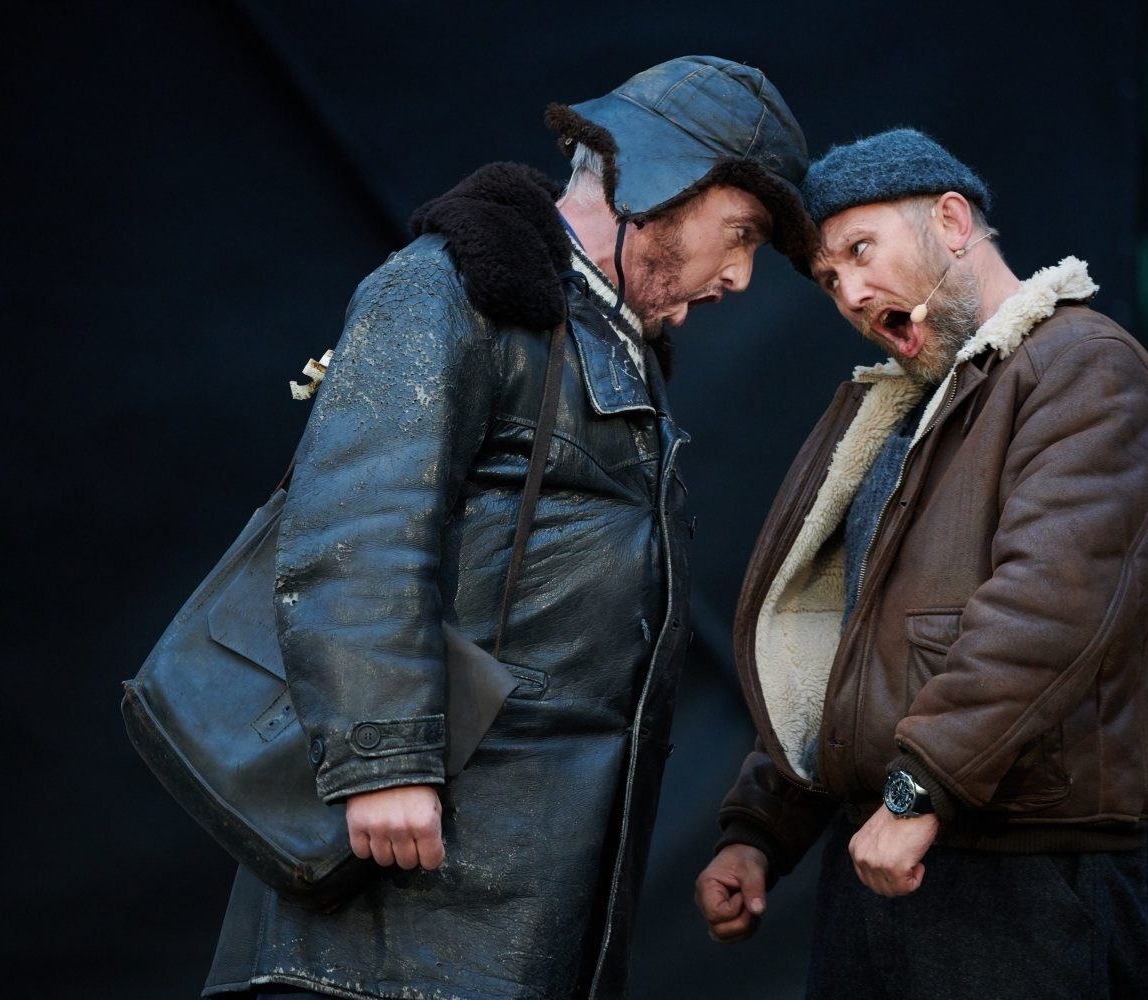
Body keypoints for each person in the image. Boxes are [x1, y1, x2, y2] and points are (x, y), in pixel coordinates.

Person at [203, 56, 814, 1000]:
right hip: (413, 866)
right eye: (738, 232)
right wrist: (381, 759)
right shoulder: (447, 289)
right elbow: (356, 525)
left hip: (526, 870)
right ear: (658, 183)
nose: (739, 274)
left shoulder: (605, 338)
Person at [694, 128, 1148, 998]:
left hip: (1018, 878)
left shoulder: (1084, 368)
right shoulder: (905, 414)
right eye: (827, 278)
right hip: (881, 857)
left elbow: (1047, 611)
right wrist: (760, 830)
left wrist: (919, 791)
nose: (848, 291)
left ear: (952, 221)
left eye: (859, 250)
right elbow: (844, 647)